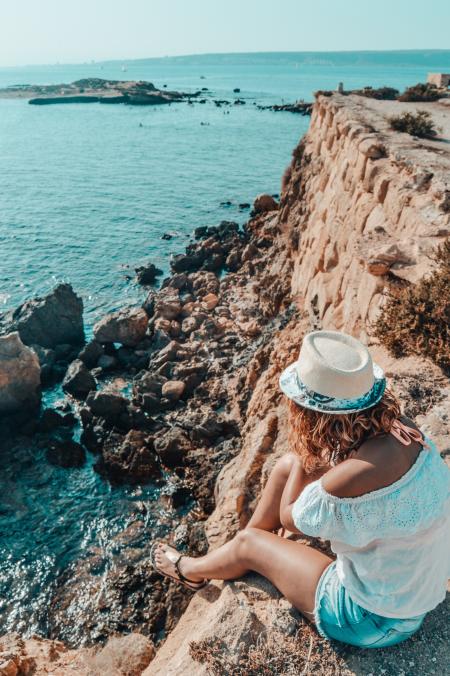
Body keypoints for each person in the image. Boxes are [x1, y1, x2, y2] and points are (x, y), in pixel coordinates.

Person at [152, 330, 450, 648]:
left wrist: (305, 456)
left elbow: (290, 516)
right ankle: (244, 557)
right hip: (412, 593)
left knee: (252, 538)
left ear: (312, 414)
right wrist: (300, 461)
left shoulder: (349, 478)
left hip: (371, 619)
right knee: (284, 468)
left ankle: (192, 570)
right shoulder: (405, 429)